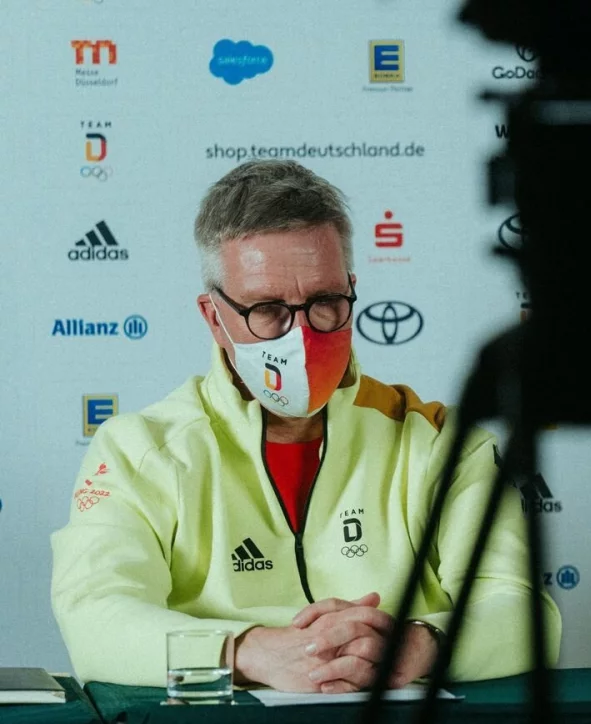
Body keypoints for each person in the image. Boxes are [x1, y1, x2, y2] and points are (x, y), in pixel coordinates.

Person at [51, 159, 560, 691]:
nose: (301, 335)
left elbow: (526, 610)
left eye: (325, 302)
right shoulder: (139, 450)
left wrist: (418, 644)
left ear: (352, 291)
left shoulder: (437, 441)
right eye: (268, 309)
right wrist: (246, 652)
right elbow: (94, 615)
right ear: (214, 317)